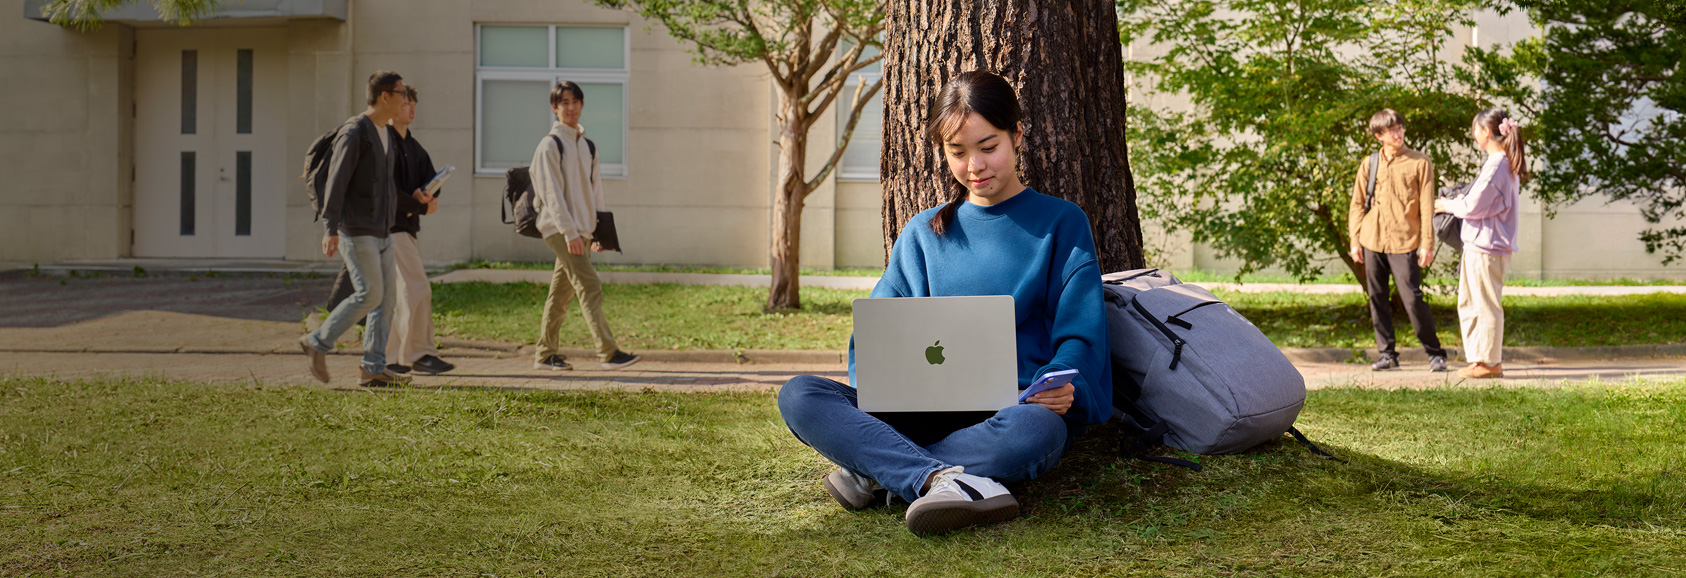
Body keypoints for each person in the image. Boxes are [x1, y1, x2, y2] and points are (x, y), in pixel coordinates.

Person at [776, 71, 1110, 536]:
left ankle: (878, 471)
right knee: (800, 394)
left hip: (1012, 413)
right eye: (958, 152)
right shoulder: (923, 232)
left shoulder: (1061, 223)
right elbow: (872, 343)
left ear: (1017, 135)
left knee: (1037, 433)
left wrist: (1063, 385)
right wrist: (883, 390)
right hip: (915, 414)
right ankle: (935, 478)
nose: (975, 165)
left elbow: (1080, 333)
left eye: (988, 146)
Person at [320, 86, 455, 376]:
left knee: (387, 298)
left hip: (402, 229)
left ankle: (388, 358)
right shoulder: (381, 142)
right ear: (390, 104)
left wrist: (429, 199)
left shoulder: (414, 147)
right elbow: (385, 190)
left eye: (413, 104)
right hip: (387, 228)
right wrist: (420, 205)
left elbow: (429, 181)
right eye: (406, 103)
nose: (411, 108)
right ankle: (419, 353)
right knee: (417, 288)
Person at [300, 70, 410, 387]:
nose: (406, 98)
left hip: (382, 230)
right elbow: (336, 182)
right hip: (356, 229)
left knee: (386, 301)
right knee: (370, 294)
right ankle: (317, 341)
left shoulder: (385, 133)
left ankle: (373, 367)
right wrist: (330, 227)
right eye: (401, 92)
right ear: (384, 96)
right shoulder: (355, 132)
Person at [530, 81, 640, 371]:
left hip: (582, 230)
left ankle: (545, 354)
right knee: (589, 285)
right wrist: (569, 233)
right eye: (564, 102)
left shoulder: (587, 145)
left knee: (561, 293)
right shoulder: (549, 145)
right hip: (559, 228)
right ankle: (608, 352)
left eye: (576, 101)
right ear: (554, 107)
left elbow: (595, 193)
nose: (571, 107)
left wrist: (597, 233)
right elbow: (551, 194)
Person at [1347, 109, 1450, 372]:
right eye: (1392, 130)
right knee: (1377, 297)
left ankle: (1435, 353)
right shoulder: (1369, 164)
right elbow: (1358, 204)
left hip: (1405, 240)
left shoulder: (1420, 162)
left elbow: (1427, 206)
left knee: (1412, 298)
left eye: (1400, 127)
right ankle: (1387, 354)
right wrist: (1355, 240)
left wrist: (1427, 243)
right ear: (1379, 135)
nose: (1399, 133)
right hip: (1372, 239)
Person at [1435, 109, 1526, 379]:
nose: (1474, 135)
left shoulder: (1498, 164)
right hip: (1484, 245)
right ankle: (1480, 360)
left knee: (1483, 304)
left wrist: (1446, 204)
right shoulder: (1502, 163)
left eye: (1475, 129)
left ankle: (1489, 362)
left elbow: (1474, 204)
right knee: (1472, 303)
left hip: (1486, 247)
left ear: (1486, 131)